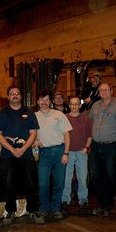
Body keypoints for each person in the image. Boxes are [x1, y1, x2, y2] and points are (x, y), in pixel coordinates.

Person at [0, 86, 44, 225]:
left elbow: (33, 133)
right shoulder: (2, 113)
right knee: (8, 184)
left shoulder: (29, 112)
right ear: (8, 97)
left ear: (21, 96)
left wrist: (23, 149)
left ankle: (33, 211)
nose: (14, 95)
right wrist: (11, 149)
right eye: (11, 94)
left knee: (30, 183)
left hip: (26, 155)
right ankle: (10, 212)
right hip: (7, 156)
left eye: (17, 93)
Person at [88, 82, 116, 216]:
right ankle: (101, 203)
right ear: (99, 93)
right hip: (96, 145)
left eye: (106, 89)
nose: (104, 92)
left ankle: (109, 204)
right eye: (101, 90)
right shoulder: (95, 106)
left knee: (110, 175)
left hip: (111, 146)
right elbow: (89, 123)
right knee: (96, 176)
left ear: (112, 91)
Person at [35, 90, 72, 219]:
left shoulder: (59, 115)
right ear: (38, 102)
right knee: (43, 183)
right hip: (44, 153)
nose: (44, 102)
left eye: (46, 99)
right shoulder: (34, 116)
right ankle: (44, 208)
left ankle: (56, 207)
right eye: (42, 99)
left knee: (59, 182)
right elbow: (31, 134)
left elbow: (67, 134)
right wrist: (35, 141)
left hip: (59, 151)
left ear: (50, 101)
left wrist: (66, 153)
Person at [61, 96, 92, 211]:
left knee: (82, 178)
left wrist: (86, 147)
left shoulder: (86, 119)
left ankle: (83, 200)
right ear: (69, 105)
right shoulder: (64, 118)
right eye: (72, 104)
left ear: (80, 105)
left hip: (81, 152)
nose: (74, 106)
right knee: (67, 178)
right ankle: (65, 200)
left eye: (76, 104)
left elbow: (89, 135)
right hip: (68, 152)